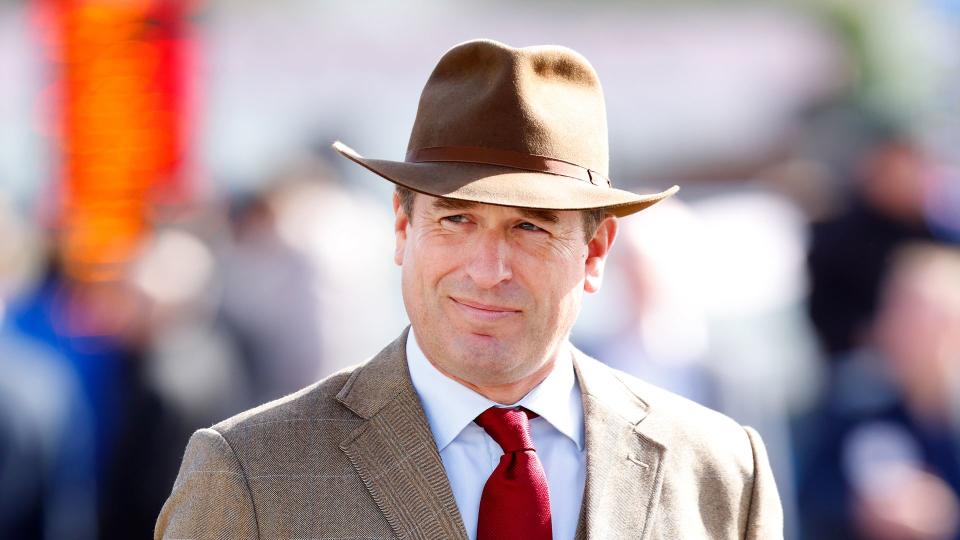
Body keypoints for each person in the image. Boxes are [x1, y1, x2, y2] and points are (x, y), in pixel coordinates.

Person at [155, 38, 782, 539]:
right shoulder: (249, 471)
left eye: (530, 228)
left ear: (594, 253)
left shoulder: (718, 471)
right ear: (402, 229)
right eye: (456, 220)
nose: (489, 269)